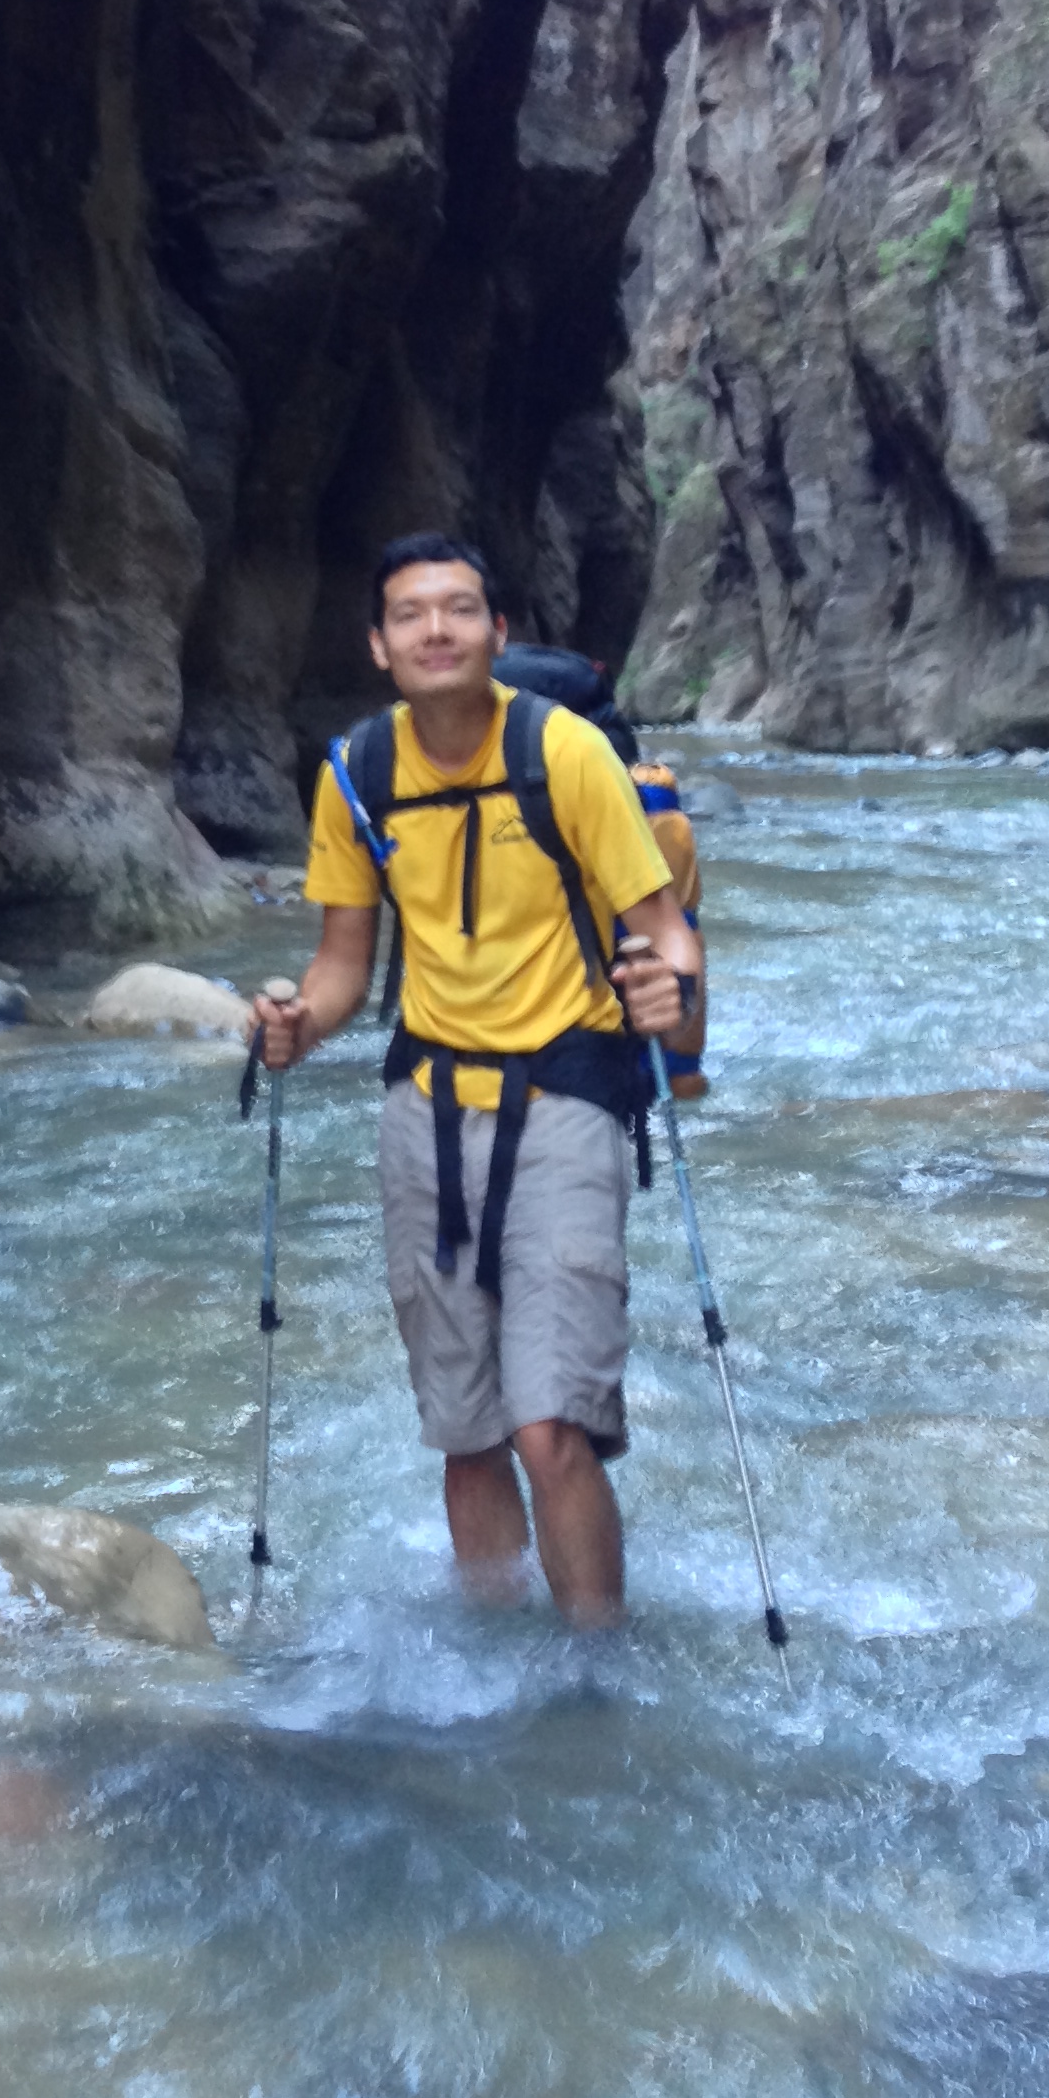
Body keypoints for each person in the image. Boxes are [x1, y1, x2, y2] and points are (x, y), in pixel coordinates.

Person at [249, 534, 705, 1628]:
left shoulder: (565, 754)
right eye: (410, 614)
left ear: (497, 634)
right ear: (378, 645)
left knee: (549, 1426)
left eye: (459, 610)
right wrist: (296, 1022)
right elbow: (343, 964)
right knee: (466, 1433)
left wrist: (670, 990)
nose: (436, 630)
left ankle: (594, 1666)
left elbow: (663, 931)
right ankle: (494, 1666)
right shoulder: (358, 773)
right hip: (427, 1113)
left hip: (566, 1101)